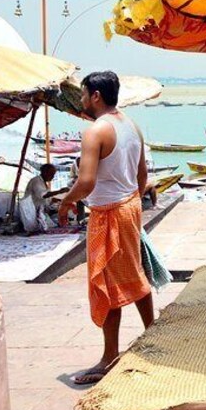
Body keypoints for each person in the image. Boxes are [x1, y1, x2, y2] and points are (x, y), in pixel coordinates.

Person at [57, 71, 154, 385]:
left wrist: (65, 201)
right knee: (134, 275)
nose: (82, 101)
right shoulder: (131, 125)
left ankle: (109, 356)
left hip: (110, 214)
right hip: (130, 207)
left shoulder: (96, 131)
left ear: (96, 96)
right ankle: (153, 337)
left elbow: (85, 182)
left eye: (84, 95)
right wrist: (133, 204)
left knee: (108, 283)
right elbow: (142, 176)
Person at [18, 163, 61, 233]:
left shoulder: (43, 183)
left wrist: (61, 200)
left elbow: (48, 199)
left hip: (41, 212)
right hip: (32, 213)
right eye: (51, 174)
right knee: (41, 227)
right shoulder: (36, 181)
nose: (53, 177)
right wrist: (59, 191)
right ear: (45, 172)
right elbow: (43, 195)